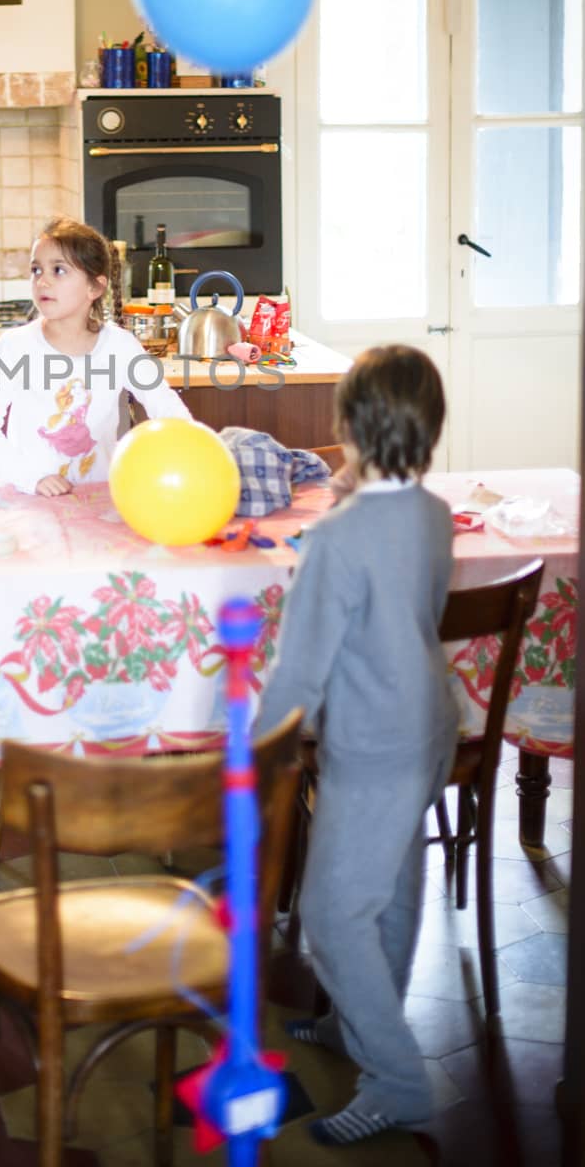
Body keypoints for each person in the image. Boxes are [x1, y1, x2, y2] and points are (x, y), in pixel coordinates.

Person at [254, 345, 458, 1147]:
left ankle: (399, 1080)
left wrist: (253, 750)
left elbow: (297, 674)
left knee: (336, 917)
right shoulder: (432, 512)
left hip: (372, 745)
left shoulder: (336, 540)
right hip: (431, 730)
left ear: (348, 429)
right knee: (394, 890)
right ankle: (352, 1024)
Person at [0, 216, 190, 495]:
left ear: (94, 288)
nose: (43, 281)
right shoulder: (14, 347)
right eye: (37, 270)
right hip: (24, 496)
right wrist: (30, 478)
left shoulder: (120, 346)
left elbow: (166, 407)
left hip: (93, 497)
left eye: (58, 270)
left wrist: (194, 448)